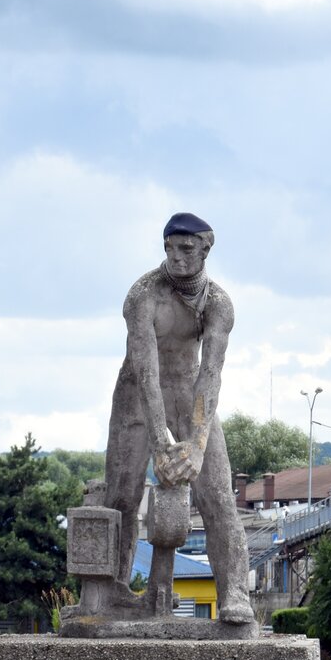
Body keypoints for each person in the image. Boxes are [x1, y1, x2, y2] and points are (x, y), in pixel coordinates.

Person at [104, 212, 253, 624]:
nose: (176, 257)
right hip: (137, 392)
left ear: (206, 248)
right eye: (169, 248)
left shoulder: (219, 304)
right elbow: (146, 370)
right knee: (121, 495)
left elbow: (211, 372)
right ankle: (112, 589)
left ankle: (234, 594)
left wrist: (198, 445)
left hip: (191, 392)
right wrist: (159, 443)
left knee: (219, 497)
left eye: (186, 249)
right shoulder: (143, 295)